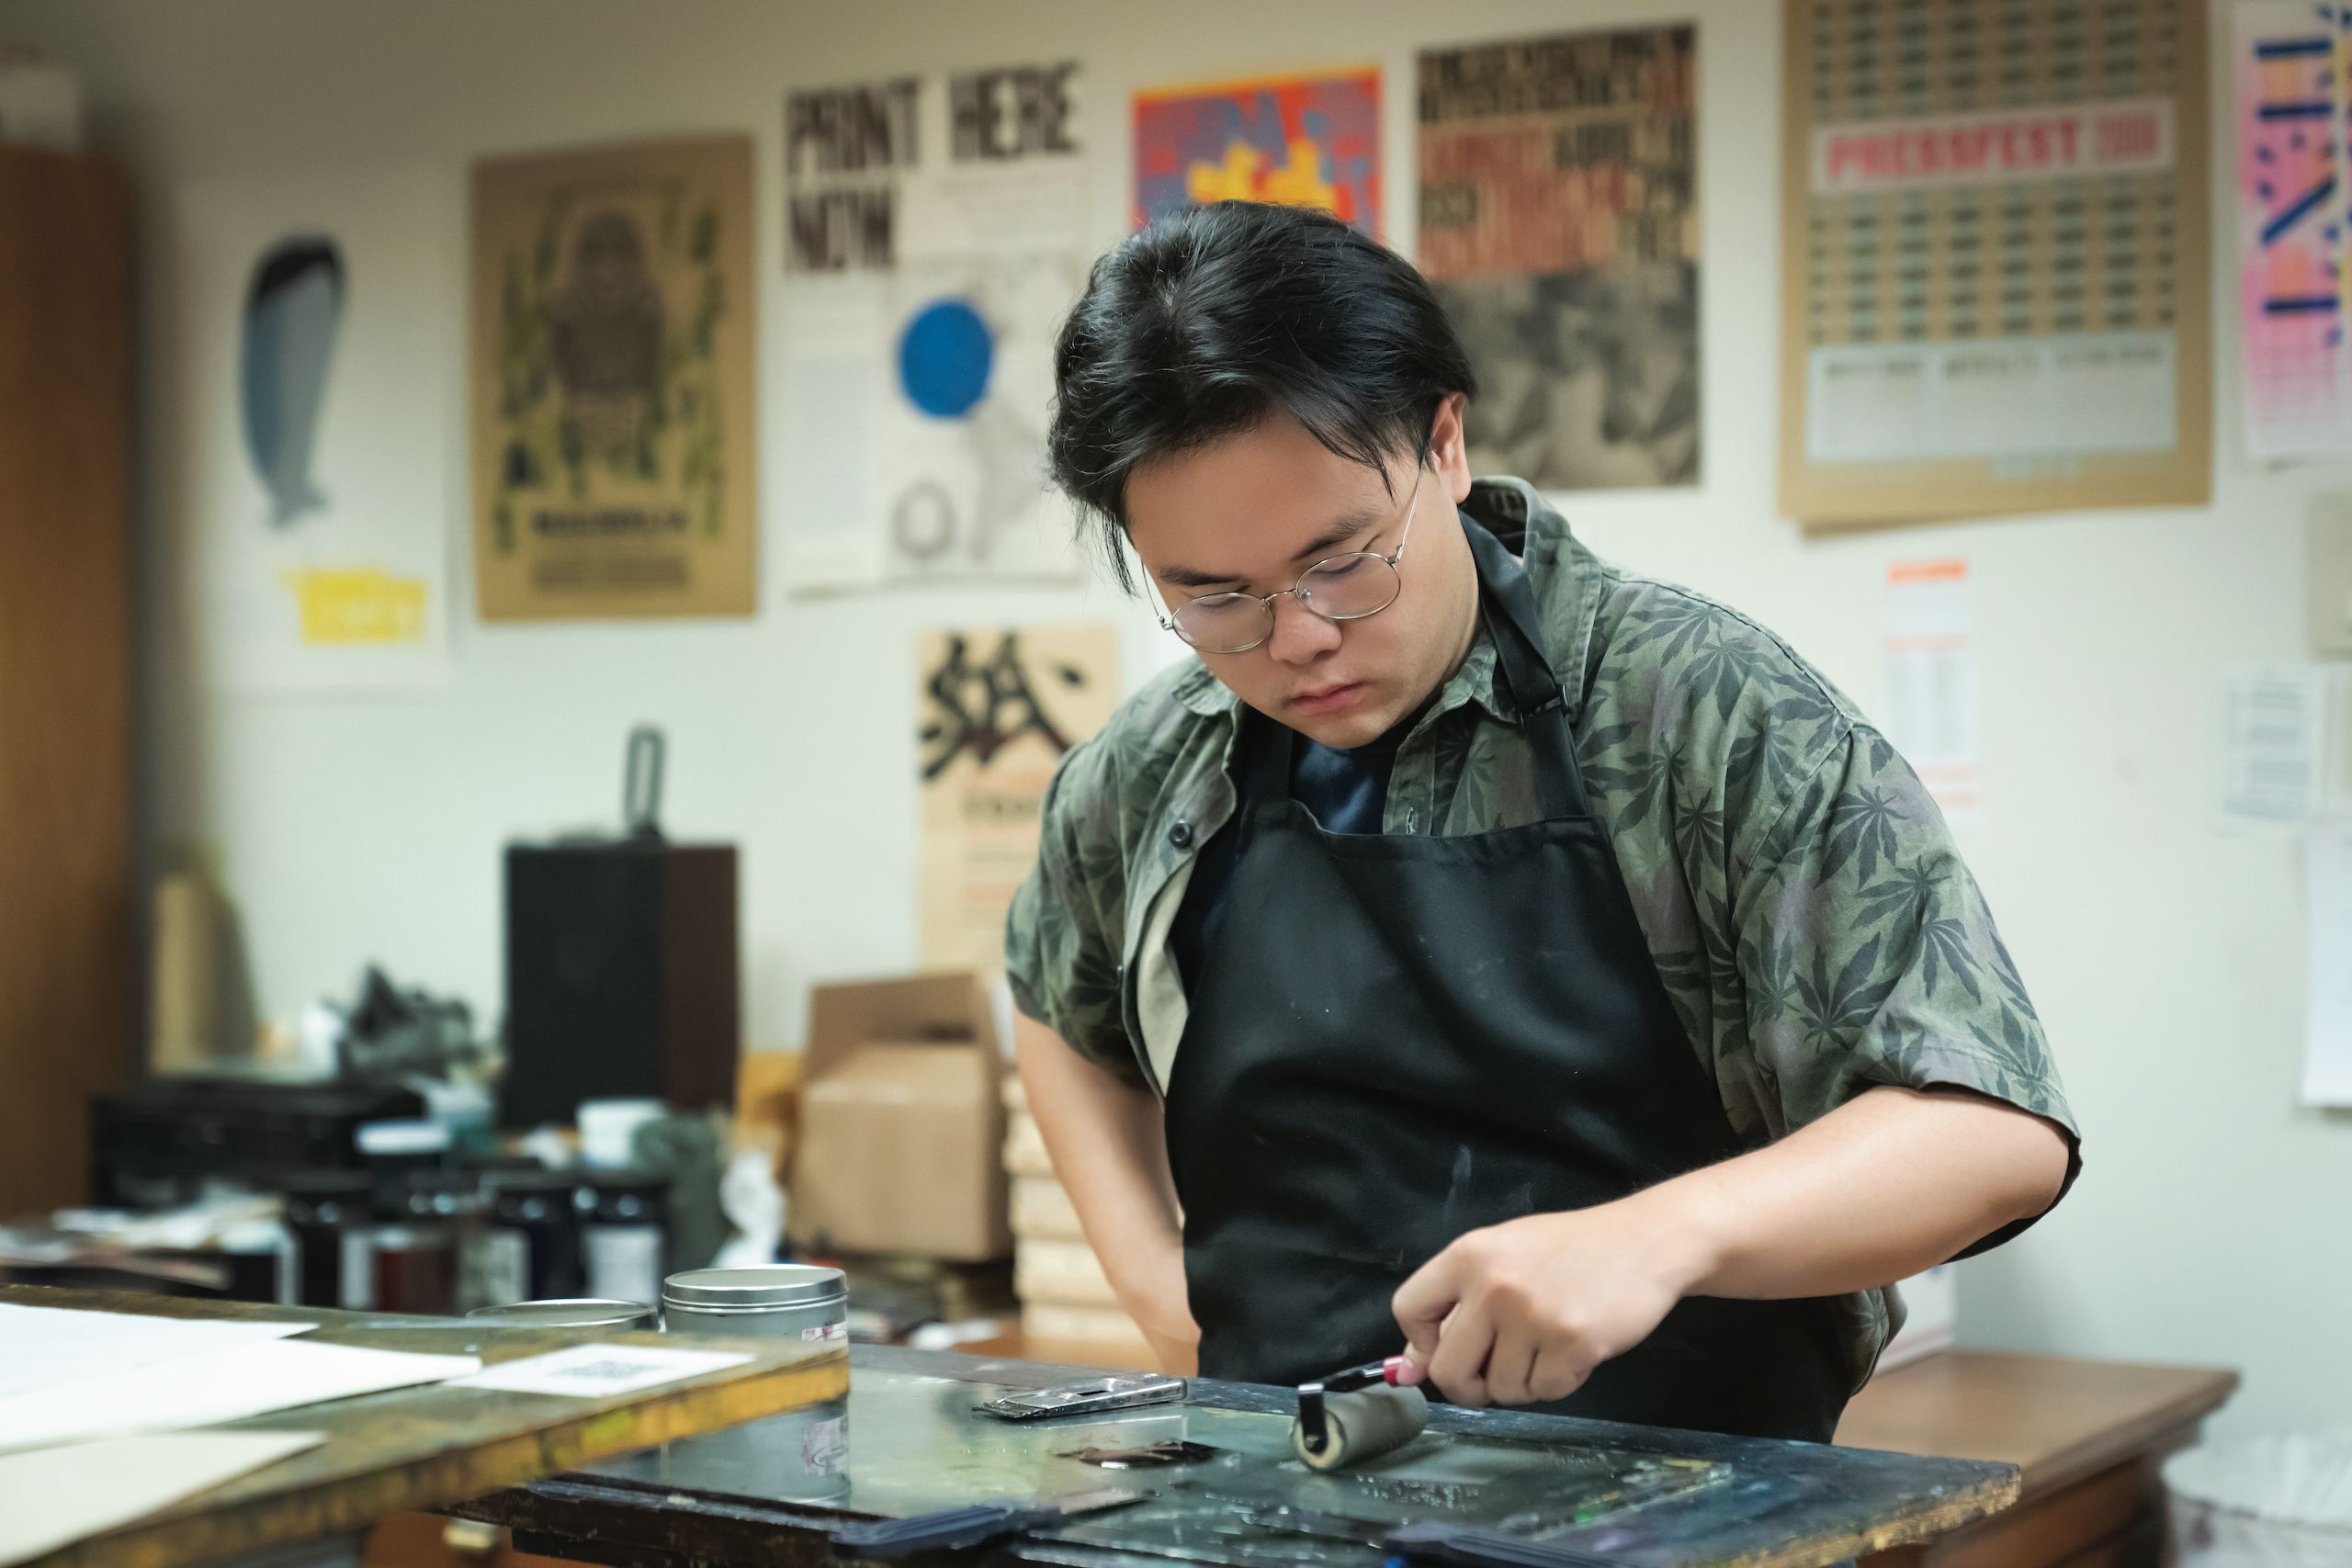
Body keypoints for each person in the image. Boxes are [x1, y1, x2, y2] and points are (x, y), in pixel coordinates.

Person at [1004, 201, 2077, 1443]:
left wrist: (1656, 1239)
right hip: (1282, 1505)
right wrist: (1155, 1284)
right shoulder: (1155, 770)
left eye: (1345, 559)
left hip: (1684, 1509)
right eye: (1215, 597)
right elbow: (1054, 1003)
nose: (1297, 637)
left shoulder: (1696, 713)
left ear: (1444, 445)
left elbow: (1991, 1133)